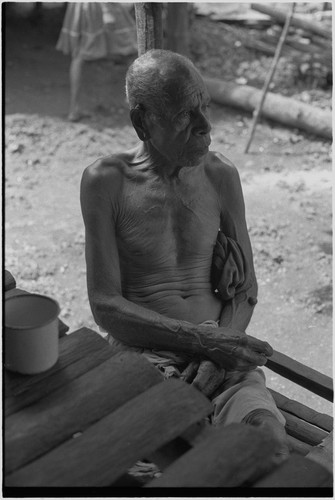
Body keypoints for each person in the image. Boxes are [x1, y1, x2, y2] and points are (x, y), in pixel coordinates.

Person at [80, 49, 290, 461]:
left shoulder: (220, 175)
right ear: (142, 122)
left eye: (205, 109)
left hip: (223, 352)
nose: (206, 127)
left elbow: (245, 289)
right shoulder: (105, 183)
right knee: (171, 454)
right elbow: (104, 305)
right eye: (184, 116)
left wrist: (221, 349)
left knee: (267, 442)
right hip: (143, 356)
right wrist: (199, 339)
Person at [56, 3, 137, 122]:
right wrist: (106, 11)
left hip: (81, 6)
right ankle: (134, 102)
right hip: (95, 6)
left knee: (78, 54)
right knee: (131, 47)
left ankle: (74, 109)